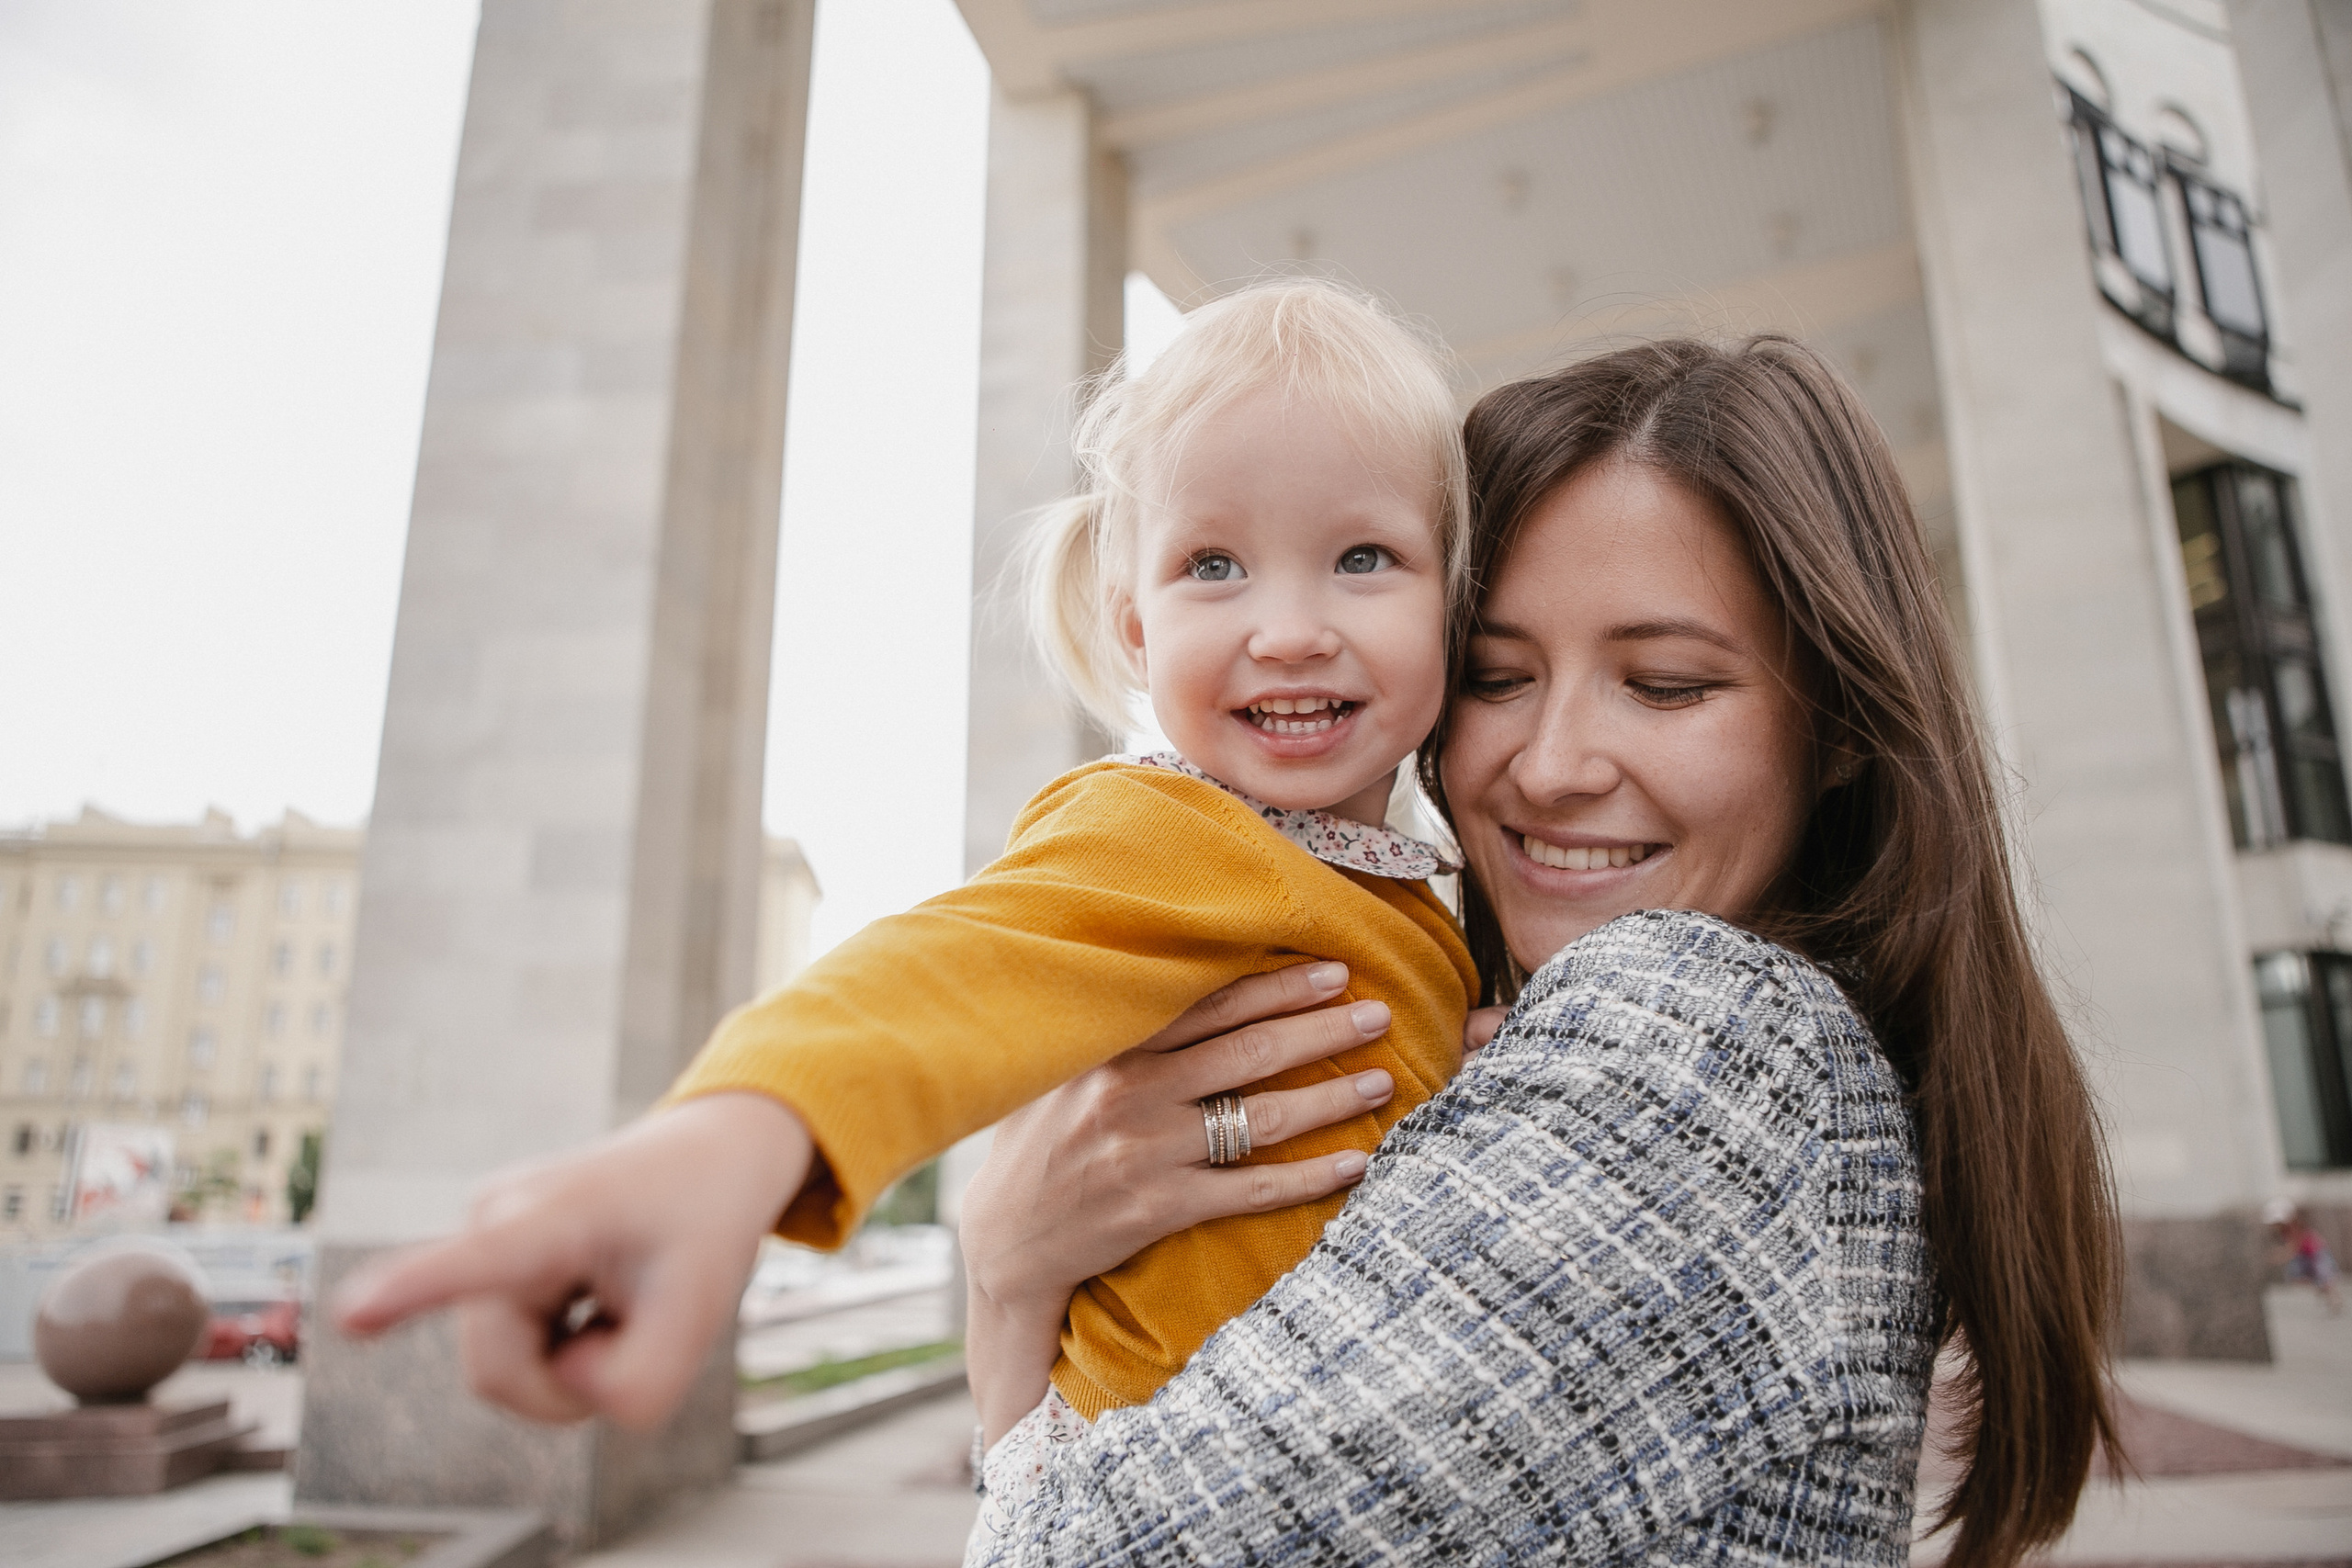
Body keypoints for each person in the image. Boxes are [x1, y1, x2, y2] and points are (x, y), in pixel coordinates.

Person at [954, 337, 2122, 1568]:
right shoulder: (1576, 1048)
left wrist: (1008, 1290)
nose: (1555, 764)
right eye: (1499, 676)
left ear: (1835, 723)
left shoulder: (1709, 1040)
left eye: (1666, 684)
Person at [331, 278, 1483, 1428]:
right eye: (1214, 567)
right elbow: (944, 972)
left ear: (1455, 602)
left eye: (1363, 557)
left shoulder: (1413, 888)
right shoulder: (1168, 834)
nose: (1286, 632)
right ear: (1136, 628)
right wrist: (730, 1141)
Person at [2266, 1198, 2343, 1313]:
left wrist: (2280, 1256)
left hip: (2316, 1253)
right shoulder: (2285, 1231)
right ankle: (2322, 1289)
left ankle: (2333, 1298)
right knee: (2297, 1277)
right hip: (2304, 1256)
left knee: (2324, 1278)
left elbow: (2294, 1247)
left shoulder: (2294, 1229)